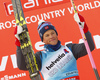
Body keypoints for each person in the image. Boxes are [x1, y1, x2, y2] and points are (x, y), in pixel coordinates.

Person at [14, 13, 95, 80]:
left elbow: (90, 46)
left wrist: (84, 28)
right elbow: (22, 65)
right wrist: (18, 44)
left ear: (56, 34)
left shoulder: (70, 48)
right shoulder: (40, 57)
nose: (51, 36)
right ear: (43, 40)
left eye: (53, 33)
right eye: (47, 35)